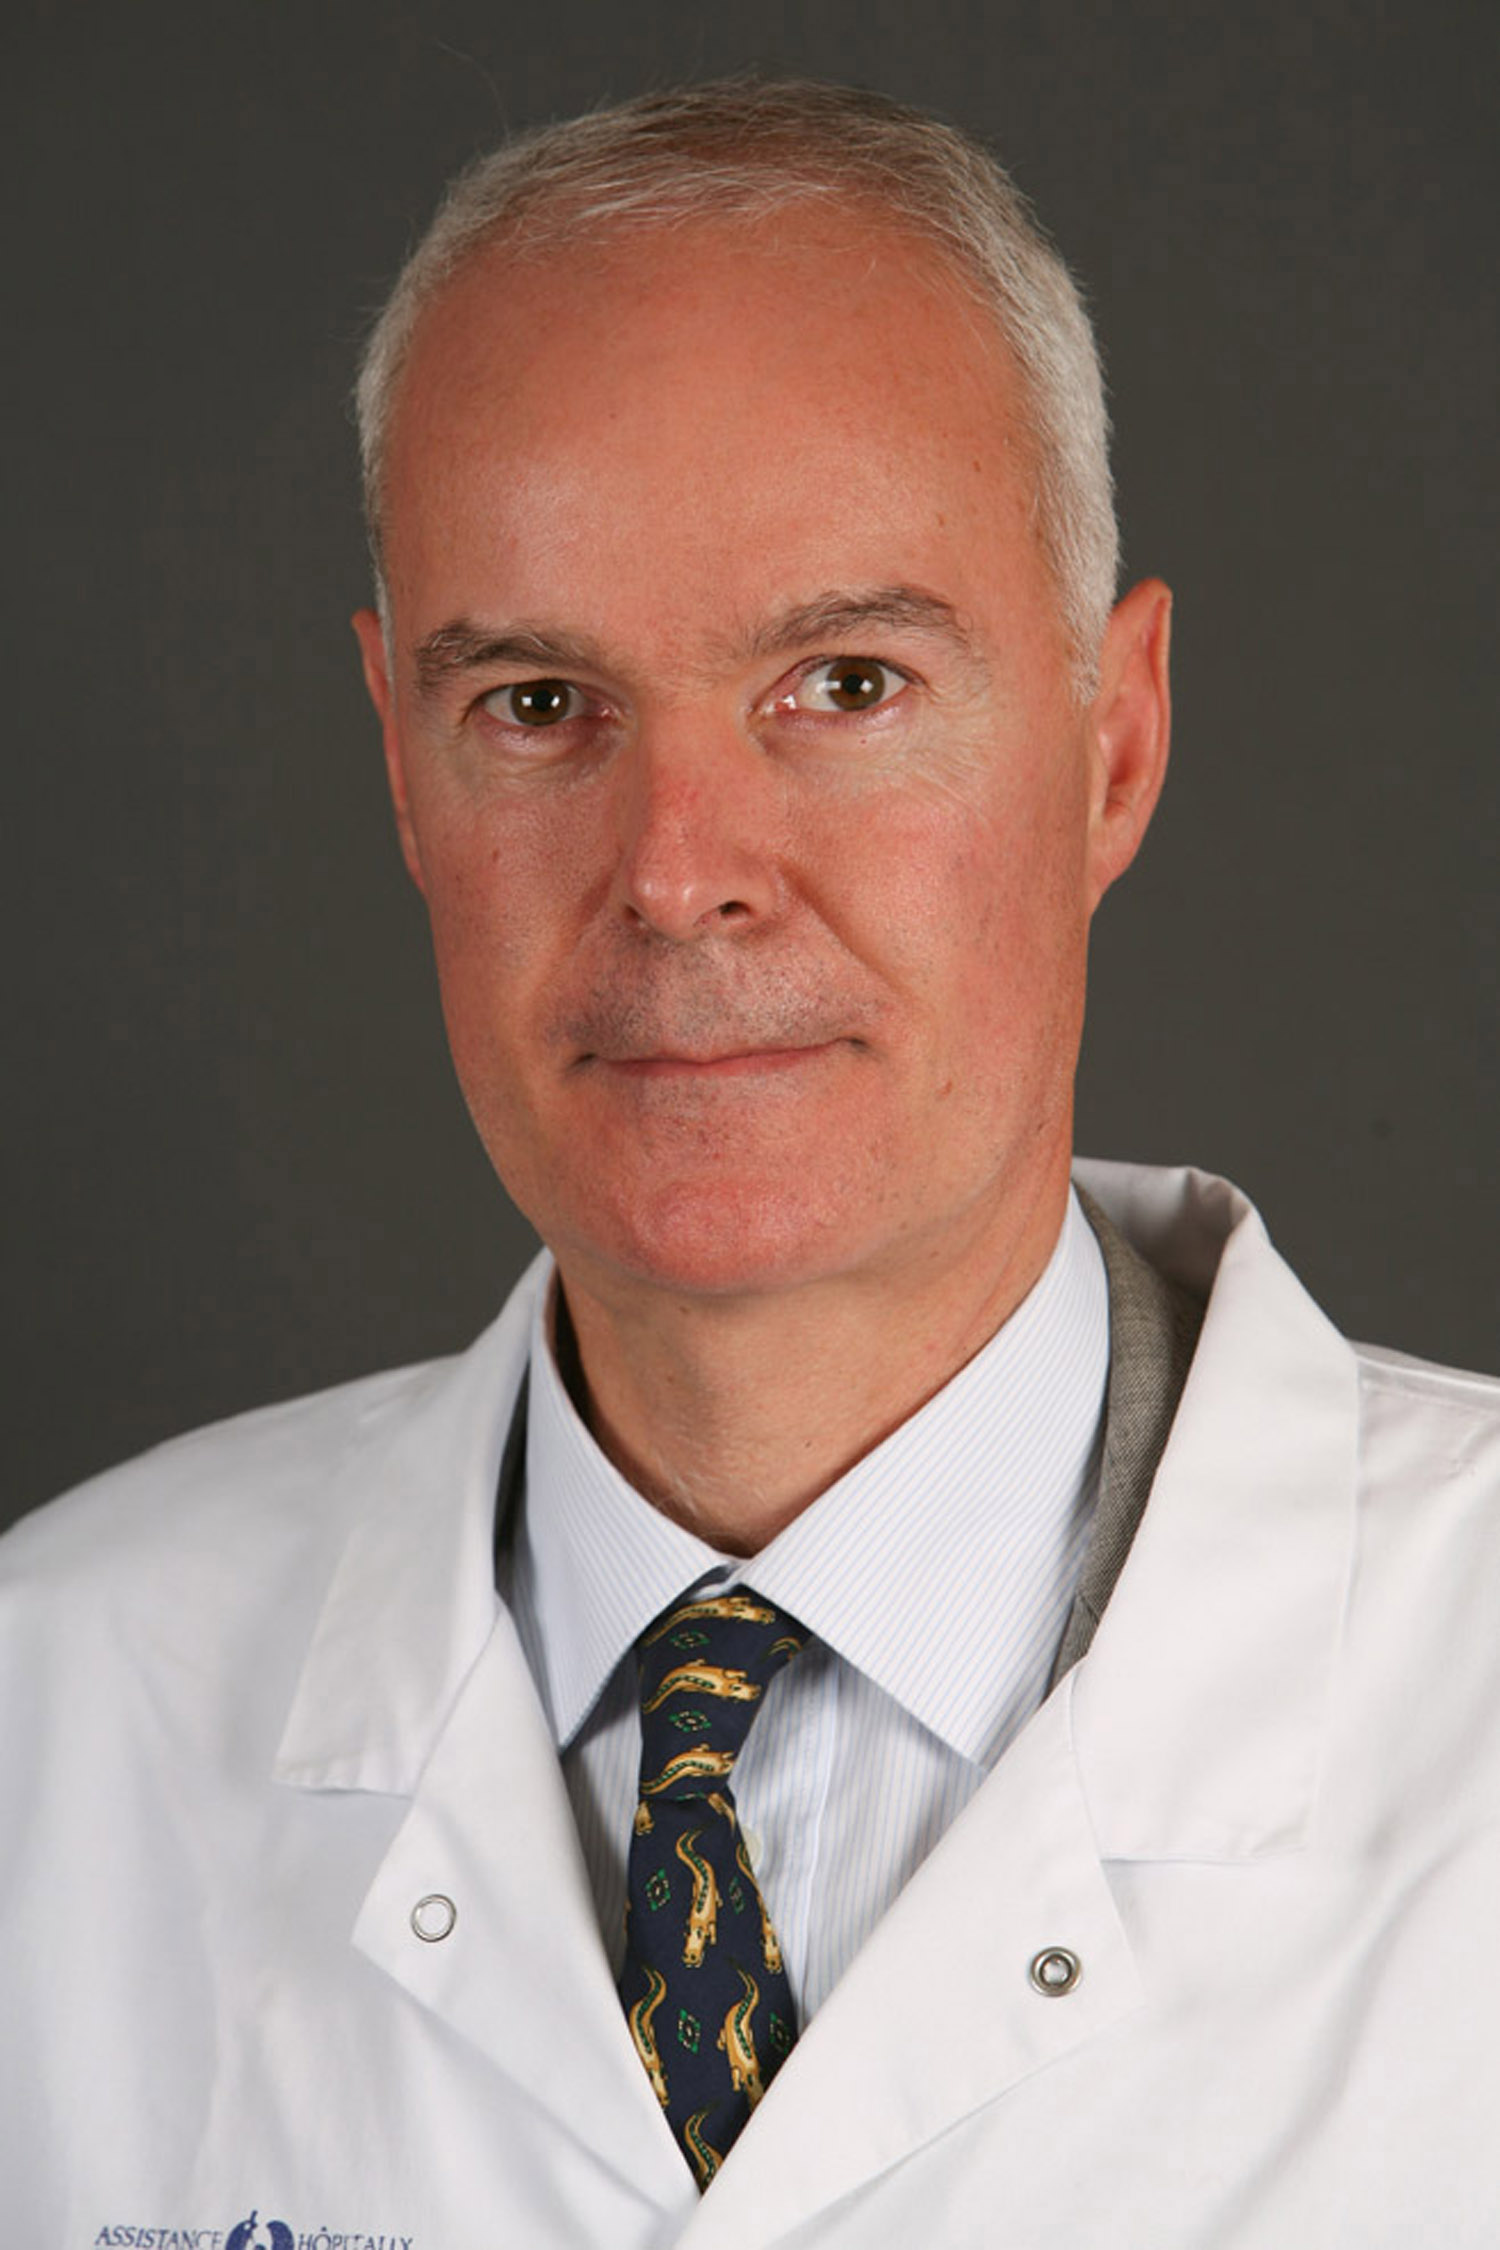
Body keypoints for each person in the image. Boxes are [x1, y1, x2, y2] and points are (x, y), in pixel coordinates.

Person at [3, 78, 1497, 2250]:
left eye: (847, 682)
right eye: (538, 705)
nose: (679, 870)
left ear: (1114, 741)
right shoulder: (51, 1728)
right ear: (402, 769)